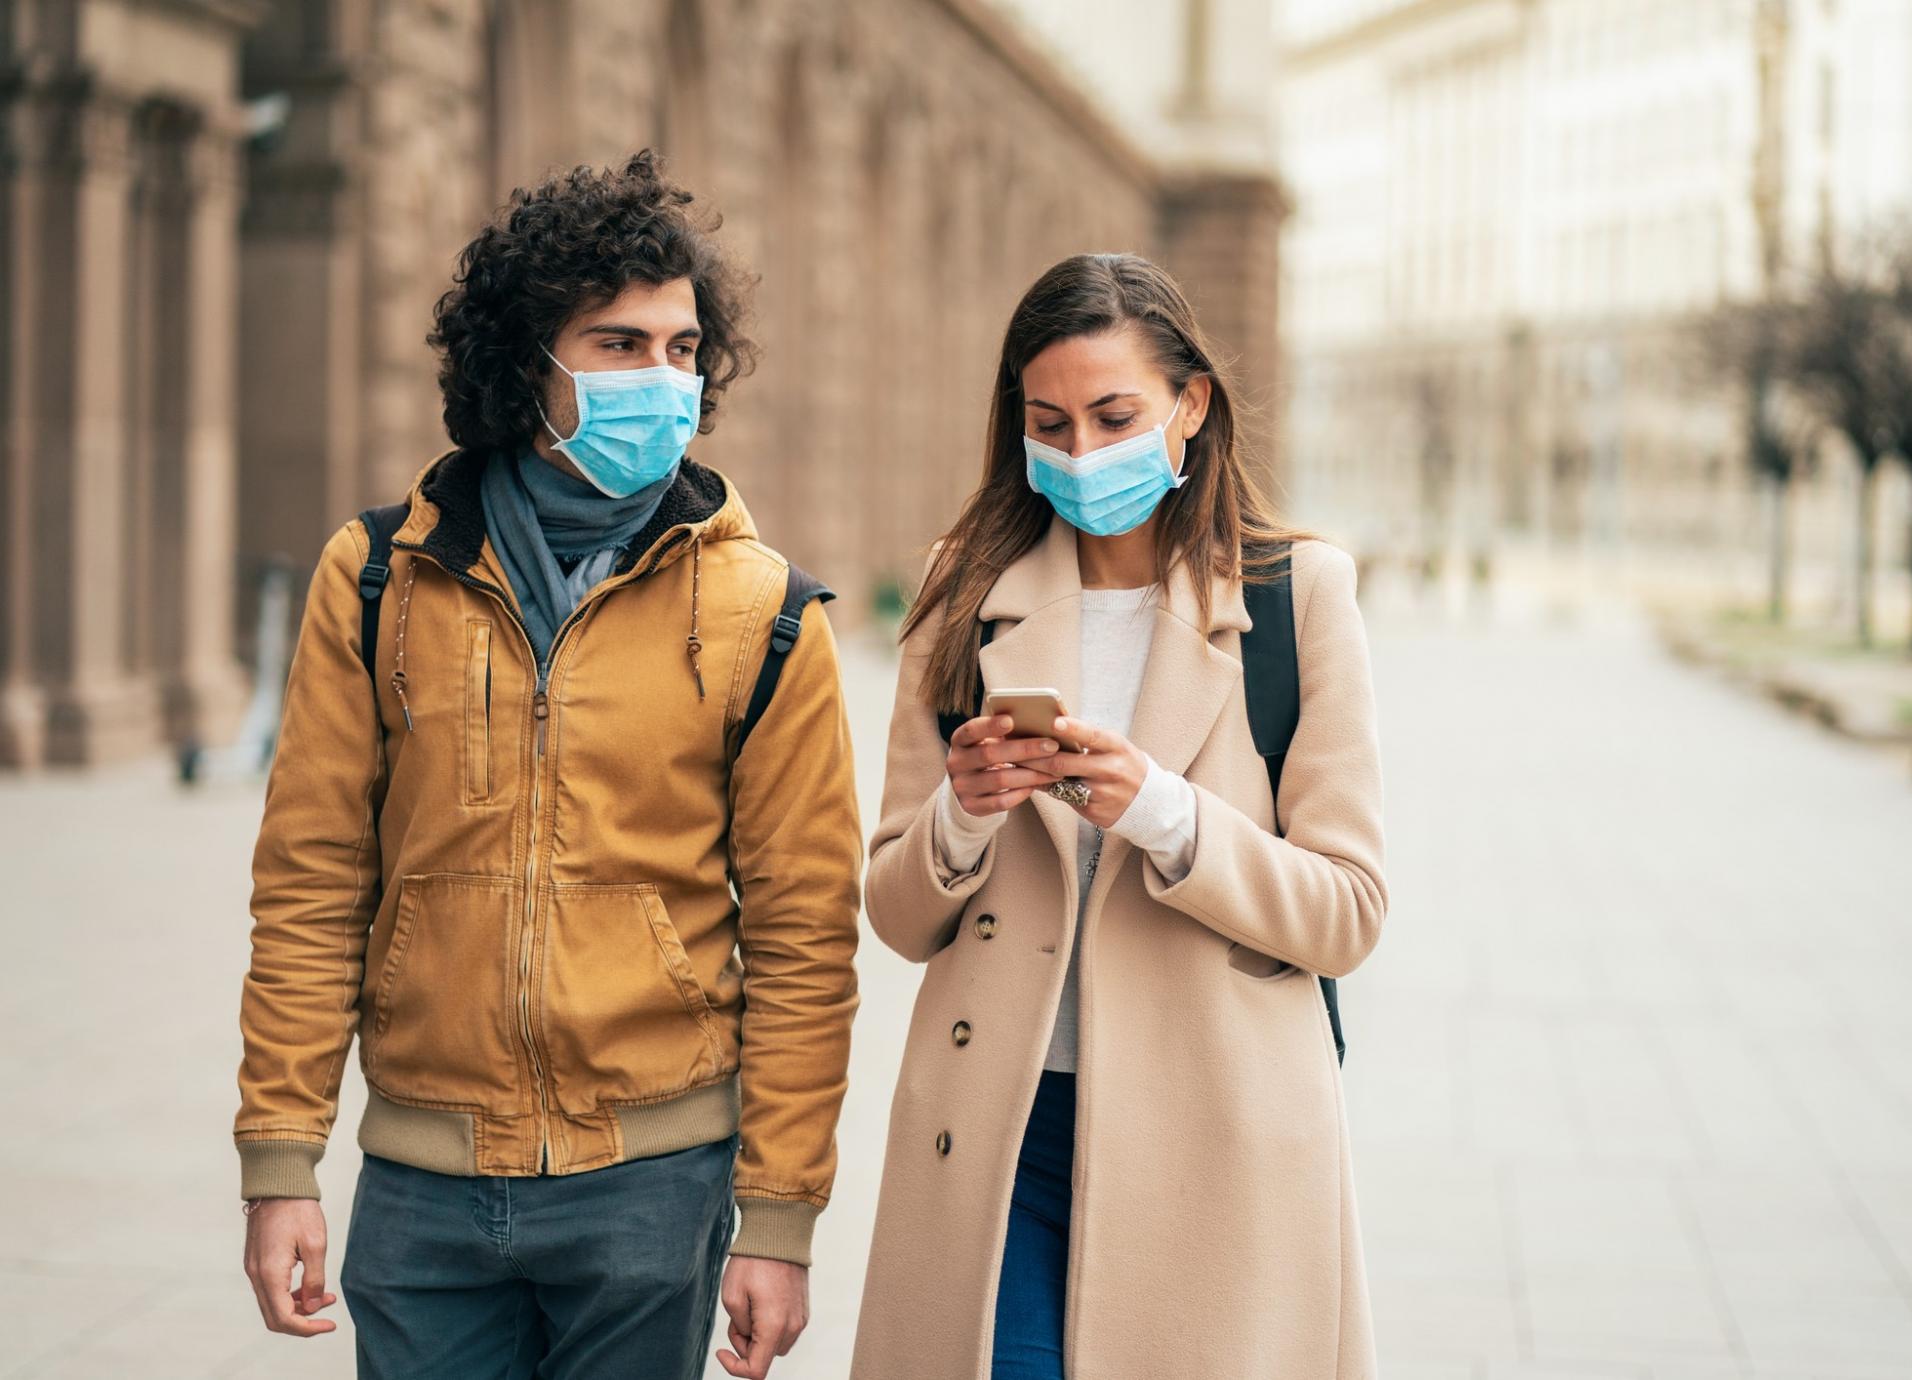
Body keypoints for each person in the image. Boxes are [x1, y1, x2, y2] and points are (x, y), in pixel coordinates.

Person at [232, 152, 862, 1380]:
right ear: (528, 362)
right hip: (423, 1186)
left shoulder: (767, 612)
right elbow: (309, 884)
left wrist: (777, 1221)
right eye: (619, 345)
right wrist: (279, 1162)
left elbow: (803, 936)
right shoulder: (374, 580)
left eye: (682, 351)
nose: (662, 380)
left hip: (652, 1185)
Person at [851, 253, 1387, 1379]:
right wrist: (962, 812)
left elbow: (1346, 911)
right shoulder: (965, 594)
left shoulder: (1297, 595)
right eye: (1049, 423)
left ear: (1189, 405)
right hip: (1004, 1135)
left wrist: (1165, 814)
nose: (1081, 455)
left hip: (1214, 1143)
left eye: (1113, 415)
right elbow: (898, 914)